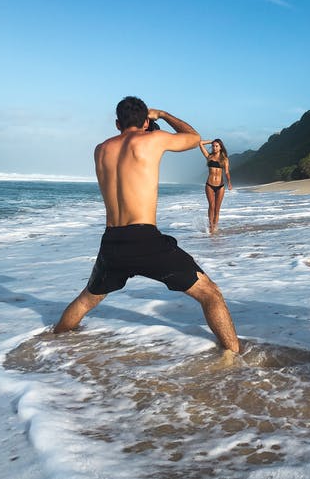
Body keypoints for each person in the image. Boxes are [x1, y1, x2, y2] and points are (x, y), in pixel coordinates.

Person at [54, 97, 239, 353]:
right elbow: (194, 137)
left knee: (87, 300)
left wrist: (145, 124)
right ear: (145, 121)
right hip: (145, 241)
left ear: (117, 123)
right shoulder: (153, 139)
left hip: (112, 242)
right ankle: (234, 358)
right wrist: (161, 114)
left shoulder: (100, 150)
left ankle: (52, 343)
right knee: (211, 294)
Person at [199, 138, 232, 233]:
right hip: (209, 185)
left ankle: (215, 226)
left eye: (216, 146)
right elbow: (200, 143)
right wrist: (212, 141)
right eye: (213, 146)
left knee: (217, 208)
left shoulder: (224, 159)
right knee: (211, 206)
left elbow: (226, 172)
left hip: (220, 186)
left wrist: (229, 182)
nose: (214, 148)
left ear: (221, 147)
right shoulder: (209, 156)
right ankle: (211, 226)